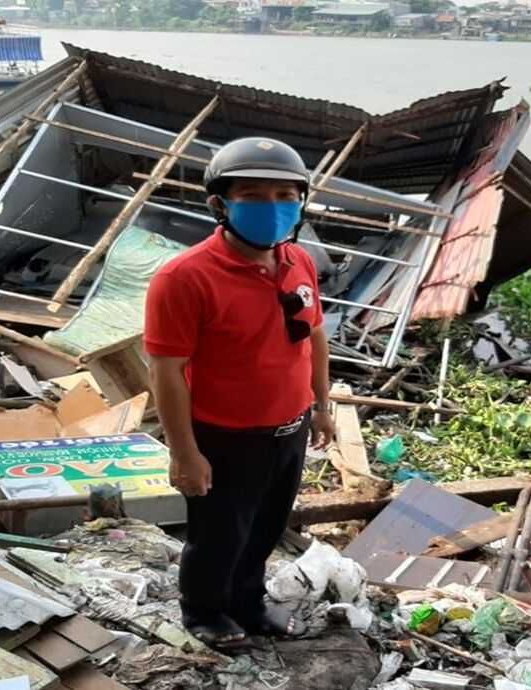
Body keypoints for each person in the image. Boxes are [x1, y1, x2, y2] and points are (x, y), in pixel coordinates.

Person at [144, 137, 336, 649]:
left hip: (289, 428)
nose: (272, 207)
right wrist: (184, 453)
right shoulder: (184, 278)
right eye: (253, 196)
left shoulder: (299, 260)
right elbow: (166, 373)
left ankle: (248, 603)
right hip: (225, 437)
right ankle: (204, 611)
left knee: (266, 528)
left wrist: (321, 406)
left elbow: (314, 334)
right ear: (219, 204)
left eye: (284, 195)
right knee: (218, 536)